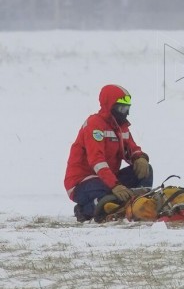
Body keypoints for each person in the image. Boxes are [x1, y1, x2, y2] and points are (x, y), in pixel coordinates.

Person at [64, 84, 153, 222]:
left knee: (145, 170)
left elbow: (132, 148)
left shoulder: (121, 128)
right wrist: (115, 185)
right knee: (109, 194)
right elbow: (97, 161)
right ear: (110, 106)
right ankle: (85, 210)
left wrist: (140, 158)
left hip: (108, 178)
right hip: (82, 182)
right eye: (122, 108)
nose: (126, 113)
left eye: (127, 108)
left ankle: (139, 206)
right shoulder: (95, 125)